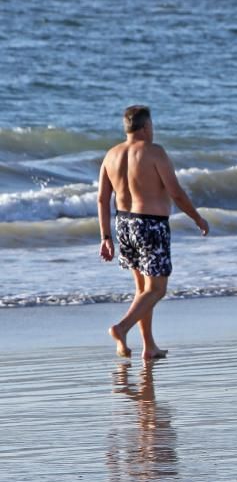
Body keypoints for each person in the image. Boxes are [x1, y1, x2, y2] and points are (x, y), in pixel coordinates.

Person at [97, 105, 209, 359]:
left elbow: (103, 200)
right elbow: (176, 192)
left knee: (142, 291)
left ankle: (148, 346)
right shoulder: (154, 152)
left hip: (123, 223)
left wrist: (105, 237)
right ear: (146, 127)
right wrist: (197, 218)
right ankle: (121, 328)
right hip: (150, 225)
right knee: (157, 289)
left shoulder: (111, 155)